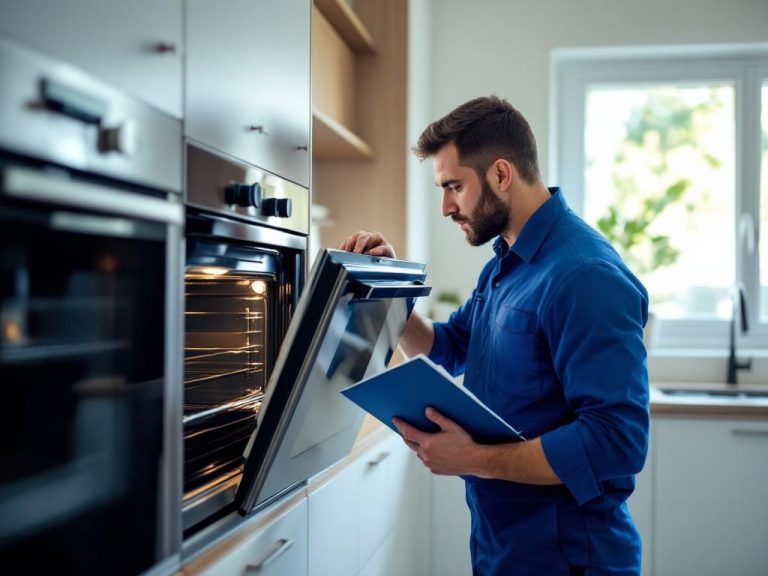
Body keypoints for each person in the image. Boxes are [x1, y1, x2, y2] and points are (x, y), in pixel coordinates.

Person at [340, 96, 650, 576]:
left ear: (501, 174)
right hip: (503, 546)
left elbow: (617, 442)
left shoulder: (584, 276)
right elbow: (452, 346)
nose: (446, 206)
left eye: (454, 187)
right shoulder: (505, 262)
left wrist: (476, 458)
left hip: (567, 556)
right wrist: (389, 288)